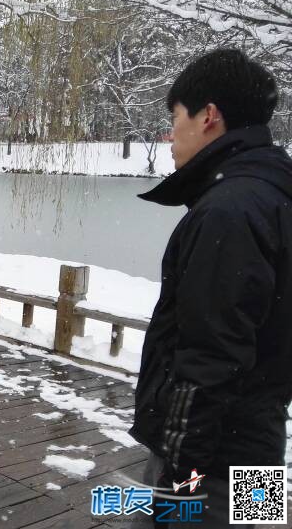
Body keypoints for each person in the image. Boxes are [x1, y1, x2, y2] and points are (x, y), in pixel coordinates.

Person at [132, 48, 291, 528]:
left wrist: (181, 472)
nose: (170, 135)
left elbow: (208, 356)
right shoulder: (275, 193)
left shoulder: (229, 211)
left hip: (211, 459)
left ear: (209, 117)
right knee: (258, 523)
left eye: (175, 117)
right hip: (259, 441)